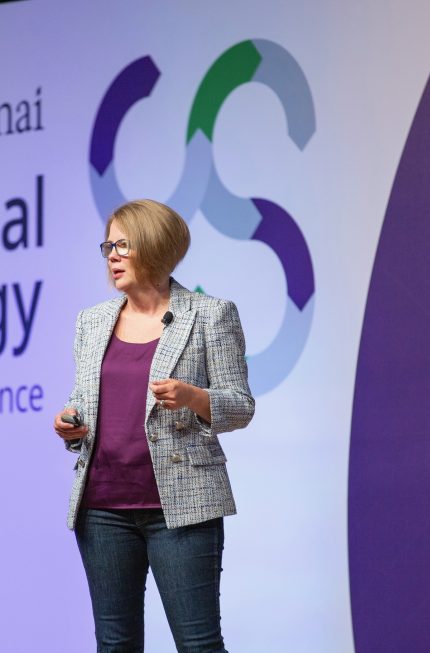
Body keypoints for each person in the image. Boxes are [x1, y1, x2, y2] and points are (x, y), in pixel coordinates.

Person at [53, 199, 255, 652]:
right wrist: (70, 422)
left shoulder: (210, 314)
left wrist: (193, 397)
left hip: (180, 506)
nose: (112, 255)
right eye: (108, 245)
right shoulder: (93, 321)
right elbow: (83, 399)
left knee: (199, 644)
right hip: (102, 509)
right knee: (115, 645)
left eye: (123, 244)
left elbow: (240, 406)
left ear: (155, 246)